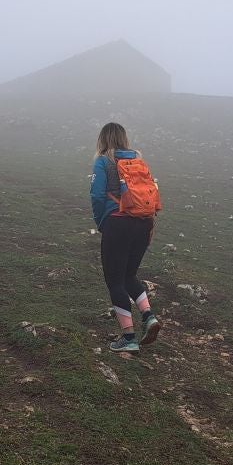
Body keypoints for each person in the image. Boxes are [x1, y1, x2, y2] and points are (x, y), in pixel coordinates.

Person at [90, 122, 161, 353]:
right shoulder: (138, 161)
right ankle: (148, 316)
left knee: (115, 281)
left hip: (118, 224)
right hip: (143, 222)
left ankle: (129, 338)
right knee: (129, 274)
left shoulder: (103, 161)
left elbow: (98, 196)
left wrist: (102, 222)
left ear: (103, 139)